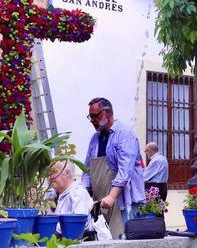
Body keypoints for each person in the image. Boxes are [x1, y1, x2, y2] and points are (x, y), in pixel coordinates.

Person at [81, 97, 144, 239]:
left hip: (124, 202)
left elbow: (125, 170)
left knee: (126, 241)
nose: (92, 120)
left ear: (107, 113)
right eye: (90, 117)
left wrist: (112, 196)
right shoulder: (94, 139)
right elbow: (87, 170)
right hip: (102, 203)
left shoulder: (125, 134)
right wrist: (83, 193)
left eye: (95, 116)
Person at [49, 161, 93, 235]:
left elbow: (78, 225)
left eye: (55, 172)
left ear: (68, 173)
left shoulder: (78, 193)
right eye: (50, 173)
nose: (51, 176)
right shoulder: (52, 194)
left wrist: (48, 228)